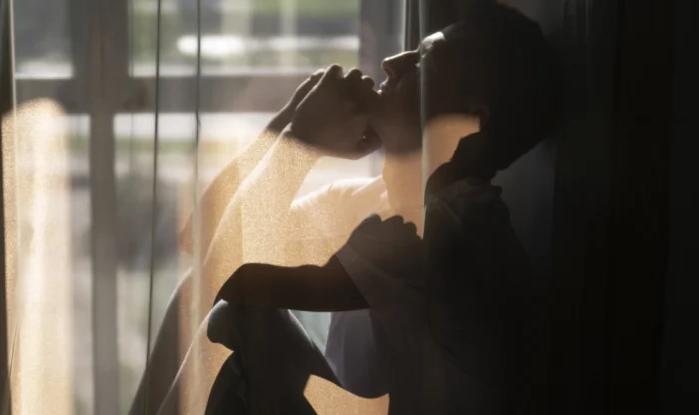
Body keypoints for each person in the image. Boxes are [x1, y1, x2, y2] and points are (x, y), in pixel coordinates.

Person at [131, 2, 560, 414]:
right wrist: (289, 123)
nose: (391, 62)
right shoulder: (372, 203)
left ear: (470, 122)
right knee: (201, 293)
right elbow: (201, 240)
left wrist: (300, 142)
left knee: (236, 314)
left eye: (422, 64)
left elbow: (228, 278)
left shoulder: (454, 228)